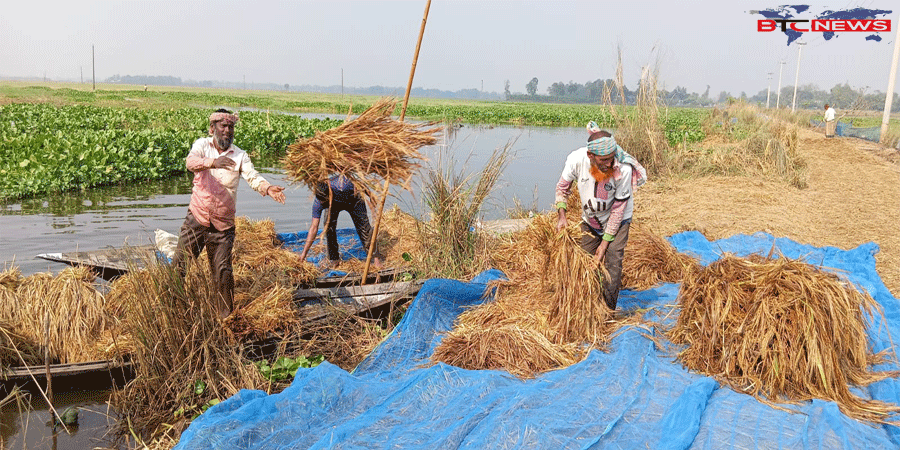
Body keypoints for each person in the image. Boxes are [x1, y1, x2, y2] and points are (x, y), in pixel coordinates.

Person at [173, 109, 286, 319]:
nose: (227, 131)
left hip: (223, 225)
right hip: (197, 218)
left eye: (231, 127)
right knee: (180, 264)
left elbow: (253, 176)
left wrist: (267, 188)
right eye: (223, 126)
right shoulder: (202, 146)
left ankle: (225, 317)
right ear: (212, 128)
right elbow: (190, 163)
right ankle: (171, 307)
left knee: (223, 272)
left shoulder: (239, 155)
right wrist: (212, 163)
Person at [554, 122, 646, 310]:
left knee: (612, 265)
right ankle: (585, 306)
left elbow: (618, 210)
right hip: (590, 220)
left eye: (611, 159)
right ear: (591, 156)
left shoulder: (623, 170)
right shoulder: (576, 160)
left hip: (617, 221)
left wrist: (603, 246)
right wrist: (562, 216)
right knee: (584, 264)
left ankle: (607, 311)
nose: (609, 164)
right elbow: (562, 189)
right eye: (603, 160)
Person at [298, 174, 383, 269]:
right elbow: (314, 228)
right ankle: (334, 259)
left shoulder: (342, 184)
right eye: (323, 204)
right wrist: (304, 254)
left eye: (326, 202)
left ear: (330, 194)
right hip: (333, 206)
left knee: (364, 228)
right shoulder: (319, 202)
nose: (323, 204)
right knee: (328, 227)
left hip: (353, 200)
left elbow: (359, 183)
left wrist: (371, 195)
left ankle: (376, 259)